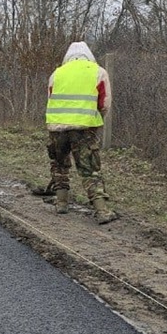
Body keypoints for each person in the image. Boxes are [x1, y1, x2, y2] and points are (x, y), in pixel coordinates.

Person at [45, 41, 116, 224]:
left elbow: (51, 98)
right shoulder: (98, 72)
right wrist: (96, 119)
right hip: (84, 128)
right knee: (89, 169)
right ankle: (101, 210)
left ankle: (61, 203)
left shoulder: (57, 73)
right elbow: (104, 103)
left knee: (59, 164)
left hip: (57, 128)